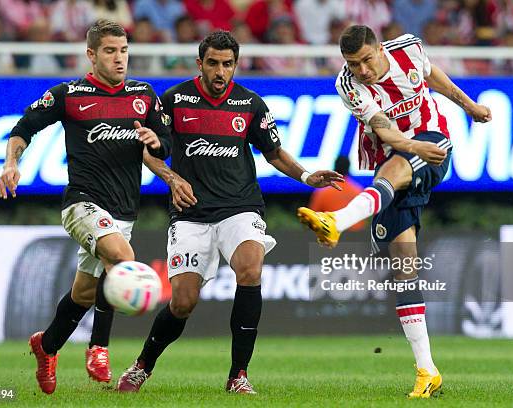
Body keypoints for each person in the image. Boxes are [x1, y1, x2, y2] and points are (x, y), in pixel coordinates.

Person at [115, 30, 343, 394]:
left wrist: (304, 174)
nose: (221, 72)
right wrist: (172, 178)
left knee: (250, 270)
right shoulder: (173, 100)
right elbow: (147, 151)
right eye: (214, 64)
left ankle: (238, 375)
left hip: (240, 206)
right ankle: (143, 365)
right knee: (183, 301)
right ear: (199, 63)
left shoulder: (250, 104)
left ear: (235, 65)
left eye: (228, 64)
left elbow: (274, 152)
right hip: (190, 213)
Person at [297, 25, 491, 398]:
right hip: (397, 155)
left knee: (396, 170)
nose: (362, 70)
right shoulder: (348, 85)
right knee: (405, 265)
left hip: (433, 141)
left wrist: (469, 107)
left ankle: (337, 220)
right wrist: (411, 146)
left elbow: (431, 74)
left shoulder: (410, 48)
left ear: (380, 48)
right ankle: (427, 371)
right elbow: (384, 131)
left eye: (367, 60)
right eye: (354, 64)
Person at [0, 19, 173, 395]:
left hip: (124, 209)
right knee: (122, 258)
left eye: (124, 50)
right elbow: (24, 127)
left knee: (83, 294)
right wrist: (12, 162)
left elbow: (166, 145)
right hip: (82, 203)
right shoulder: (69, 93)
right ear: (91, 55)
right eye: (110, 51)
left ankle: (45, 347)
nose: (119, 59)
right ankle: (99, 348)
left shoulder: (144, 94)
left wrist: (155, 140)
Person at [308, 155, 365, 232]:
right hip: (356, 238)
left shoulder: (322, 192)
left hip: (331, 237)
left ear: (334, 169)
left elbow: (312, 219)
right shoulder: (358, 190)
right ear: (348, 168)